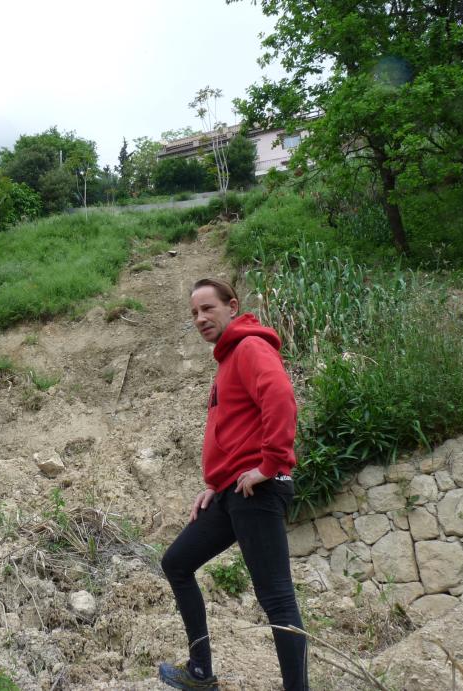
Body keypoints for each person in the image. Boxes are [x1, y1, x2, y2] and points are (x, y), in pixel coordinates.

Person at [158, 278, 308, 691]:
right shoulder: (227, 361)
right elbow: (235, 430)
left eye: (208, 308)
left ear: (232, 306)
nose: (200, 318)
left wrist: (271, 463)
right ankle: (201, 671)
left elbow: (280, 396)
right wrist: (217, 482)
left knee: (276, 597)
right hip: (232, 492)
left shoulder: (249, 346)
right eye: (193, 313)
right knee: (177, 562)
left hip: (257, 490)